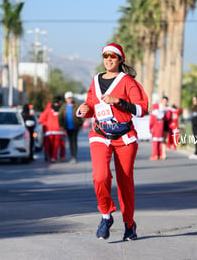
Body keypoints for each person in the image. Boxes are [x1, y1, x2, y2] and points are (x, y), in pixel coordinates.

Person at [77, 43, 148, 241]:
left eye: (113, 56)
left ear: (120, 59)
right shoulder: (95, 80)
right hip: (100, 134)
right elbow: (91, 106)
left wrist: (118, 101)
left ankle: (129, 224)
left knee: (125, 182)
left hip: (124, 137)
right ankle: (106, 215)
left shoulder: (127, 82)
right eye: (105, 56)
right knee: (100, 176)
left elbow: (142, 109)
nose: (108, 59)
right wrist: (84, 110)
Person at [58, 91, 84, 163]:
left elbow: (82, 115)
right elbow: (60, 116)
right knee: (70, 142)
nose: (69, 99)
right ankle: (72, 156)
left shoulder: (77, 105)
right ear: (66, 99)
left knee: (74, 141)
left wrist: (80, 123)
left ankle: (74, 156)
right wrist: (61, 126)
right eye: (68, 98)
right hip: (67, 127)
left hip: (75, 126)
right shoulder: (63, 107)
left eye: (70, 98)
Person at [38, 96, 66, 162]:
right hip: (58, 130)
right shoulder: (62, 109)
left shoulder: (48, 109)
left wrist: (47, 125)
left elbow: (41, 119)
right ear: (60, 101)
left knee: (52, 145)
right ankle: (53, 157)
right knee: (55, 145)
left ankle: (53, 157)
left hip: (51, 131)